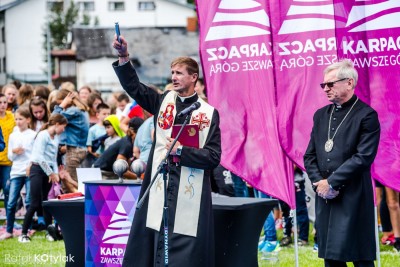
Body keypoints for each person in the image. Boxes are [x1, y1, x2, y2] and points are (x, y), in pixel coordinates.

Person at [112, 35, 221, 267]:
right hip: (158, 185)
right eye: (172, 73)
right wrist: (123, 57)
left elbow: (213, 157)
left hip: (189, 192)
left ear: (194, 77)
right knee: (152, 242)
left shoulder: (209, 113)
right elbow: (134, 87)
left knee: (185, 253)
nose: (174, 77)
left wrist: (182, 152)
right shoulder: (163, 101)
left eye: (179, 73)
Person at [304, 59, 380, 267]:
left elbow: (363, 157)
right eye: (323, 85)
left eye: (331, 84)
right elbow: (310, 155)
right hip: (326, 196)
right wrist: (320, 182)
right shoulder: (320, 115)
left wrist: (332, 182)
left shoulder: (366, 115)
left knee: (359, 256)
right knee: (331, 257)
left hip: (353, 194)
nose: (325, 89)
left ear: (349, 83)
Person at [19, 114, 68, 243]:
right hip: (37, 170)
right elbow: (39, 157)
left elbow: (53, 159)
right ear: (57, 124)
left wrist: (55, 174)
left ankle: (49, 231)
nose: (63, 130)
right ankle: (24, 233)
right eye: (63, 127)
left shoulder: (55, 137)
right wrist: (51, 173)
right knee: (35, 203)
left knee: (46, 202)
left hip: (48, 172)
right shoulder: (43, 135)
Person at [0, 108, 35, 241]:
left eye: (20, 119)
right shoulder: (13, 136)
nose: (18, 122)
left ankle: (28, 228)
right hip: (16, 171)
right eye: (16, 119)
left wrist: (29, 162)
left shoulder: (32, 134)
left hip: (29, 170)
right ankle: (9, 230)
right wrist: (15, 151)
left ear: (28, 120)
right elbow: (10, 156)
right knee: (10, 202)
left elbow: (34, 154)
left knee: (28, 201)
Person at [52, 89, 89, 193]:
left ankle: (74, 208)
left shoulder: (74, 111)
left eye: (60, 103)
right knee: (70, 182)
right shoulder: (80, 110)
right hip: (79, 149)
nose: (60, 106)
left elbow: (53, 119)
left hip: (73, 150)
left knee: (69, 184)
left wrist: (62, 104)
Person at [0, 93, 16, 216]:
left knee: (7, 190)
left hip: (8, 160)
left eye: (4, 102)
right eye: (0, 103)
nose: (2, 105)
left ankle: (8, 217)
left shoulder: (12, 117)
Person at [83, 103, 111, 167]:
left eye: (109, 114)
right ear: (98, 115)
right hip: (96, 159)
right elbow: (89, 146)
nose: (107, 116)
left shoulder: (112, 129)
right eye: (104, 114)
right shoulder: (93, 130)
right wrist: (97, 154)